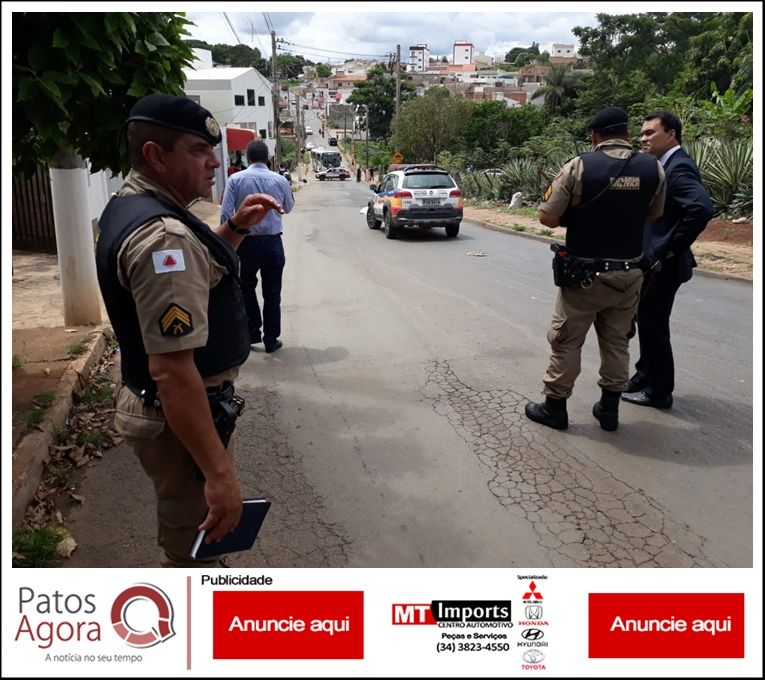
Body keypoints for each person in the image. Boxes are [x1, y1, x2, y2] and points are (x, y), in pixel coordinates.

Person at [95, 94, 283, 567]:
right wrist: (219, 475)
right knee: (197, 547)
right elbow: (173, 372)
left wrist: (235, 227)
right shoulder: (165, 237)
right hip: (179, 414)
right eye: (199, 150)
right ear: (157, 155)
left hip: (174, 409)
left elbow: (195, 271)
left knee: (199, 537)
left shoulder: (135, 204)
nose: (214, 162)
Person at [525, 106, 666, 431]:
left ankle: (555, 408)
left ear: (594, 136)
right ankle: (609, 410)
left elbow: (547, 217)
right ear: (628, 135)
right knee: (617, 343)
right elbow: (653, 215)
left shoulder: (578, 167)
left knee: (567, 341)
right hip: (629, 275)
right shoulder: (653, 169)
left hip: (584, 276)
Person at [622, 111, 714, 410]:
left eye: (650, 133)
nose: (643, 138)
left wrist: (669, 248)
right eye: (643, 133)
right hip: (655, 262)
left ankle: (659, 392)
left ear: (671, 134)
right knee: (647, 323)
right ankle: (643, 376)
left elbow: (700, 209)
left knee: (654, 326)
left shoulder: (679, 168)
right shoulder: (666, 165)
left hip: (665, 265)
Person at [221, 140, 294, 353]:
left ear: (248, 157)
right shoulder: (280, 180)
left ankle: (252, 332)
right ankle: (271, 339)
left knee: (245, 288)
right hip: (273, 243)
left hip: (245, 242)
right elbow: (288, 207)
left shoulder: (235, 179)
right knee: (272, 292)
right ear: (268, 157)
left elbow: (226, 214)